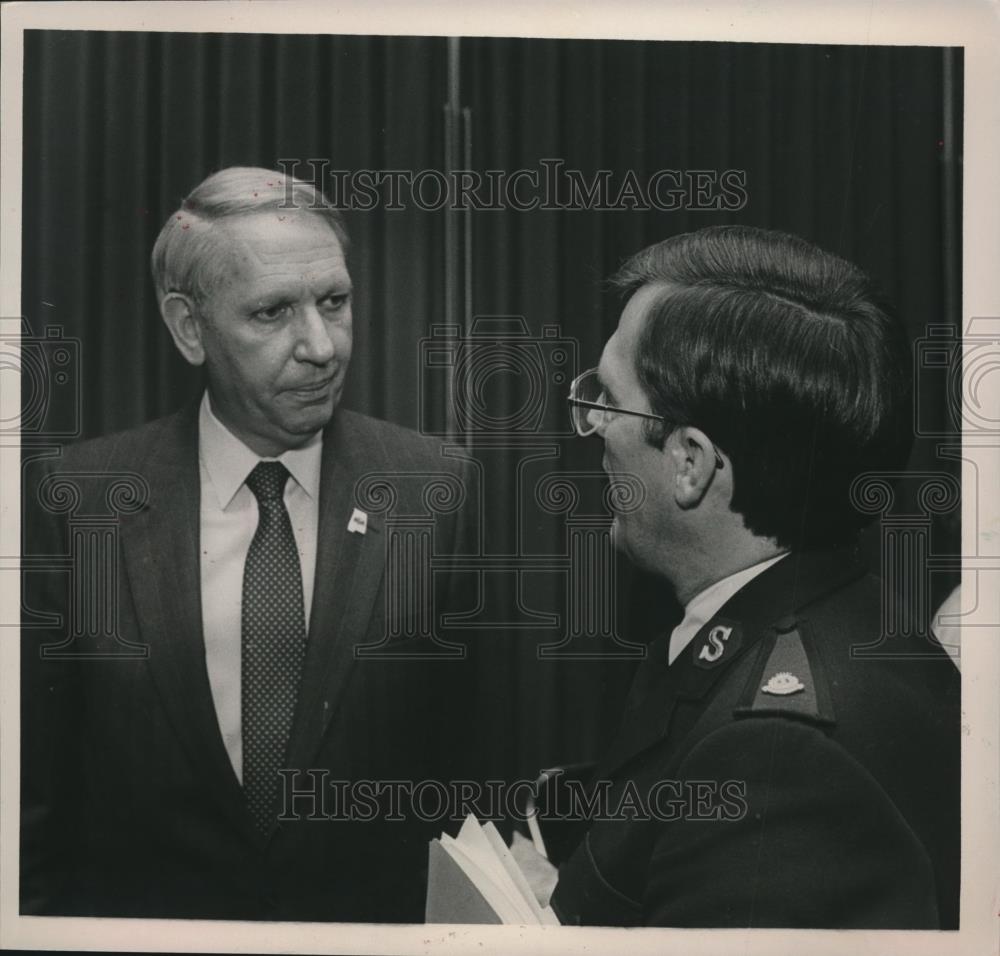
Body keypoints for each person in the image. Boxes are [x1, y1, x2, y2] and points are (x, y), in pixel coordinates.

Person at [20, 167, 473, 921]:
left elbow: (471, 809)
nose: (321, 346)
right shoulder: (76, 503)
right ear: (188, 327)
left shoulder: (440, 491)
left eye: (335, 301)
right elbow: (30, 809)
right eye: (272, 313)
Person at [538, 225, 960, 928]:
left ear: (689, 463)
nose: (594, 428)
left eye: (607, 400)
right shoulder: (844, 614)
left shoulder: (774, 758)